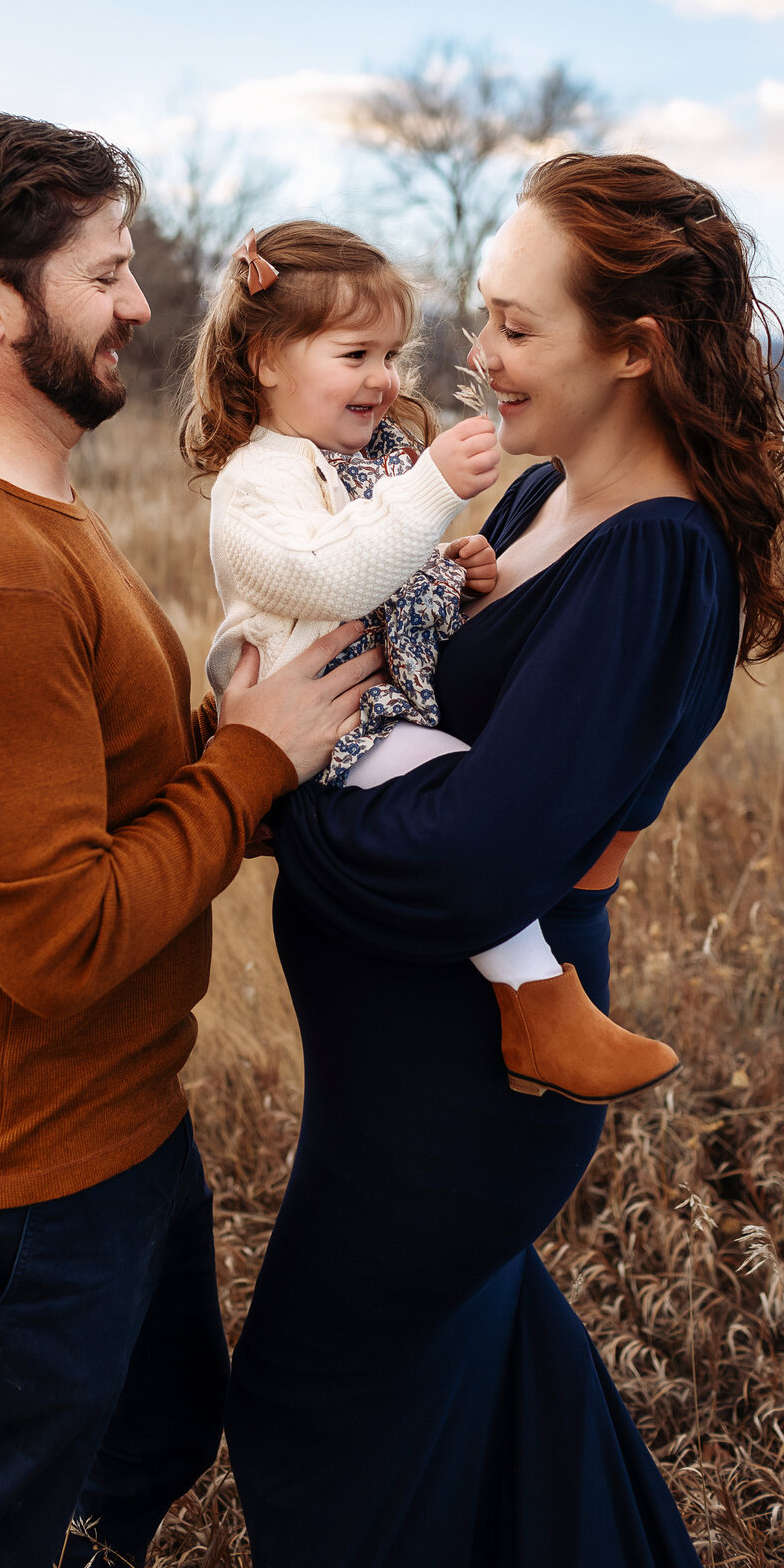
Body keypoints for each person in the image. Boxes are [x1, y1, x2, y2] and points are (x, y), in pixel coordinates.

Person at [224, 153, 784, 1568]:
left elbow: (475, 867)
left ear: (635, 347)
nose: (475, 358)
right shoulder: (545, 495)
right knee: (490, 1397)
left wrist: (269, 776)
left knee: (310, 1410)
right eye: (482, 318)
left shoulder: (661, 559)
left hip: (467, 1101)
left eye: (516, 327)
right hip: (396, 1085)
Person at [0, 109, 382, 1568]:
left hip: (119, 1126)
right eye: (108, 272)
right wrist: (255, 763)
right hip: (15, 1175)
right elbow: (59, 941)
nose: (143, 305)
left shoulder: (37, 515)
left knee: (150, 1440)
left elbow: (115, 799)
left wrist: (253, 767)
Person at [180, 219, 680, 1105]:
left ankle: (539, 1013)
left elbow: (382, 574)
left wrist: (447, 570)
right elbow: (328, 571)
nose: (382, 378)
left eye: (391, 354)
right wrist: (436, 490)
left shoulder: (361, 462)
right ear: (263, 360)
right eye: (354, 353)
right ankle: (543, 1009)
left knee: (455, 786)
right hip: (330, 727)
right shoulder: (257, 480)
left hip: (362, 713)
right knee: (456, 782)